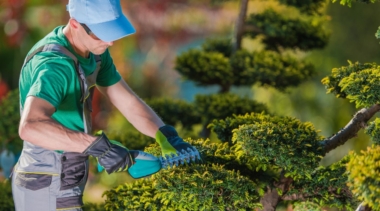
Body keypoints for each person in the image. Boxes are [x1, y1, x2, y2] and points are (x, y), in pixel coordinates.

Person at [11, 0, 199, 210]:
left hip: (69, 171)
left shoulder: (94, 52)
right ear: (74, 25)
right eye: (100, 33)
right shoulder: (54, 67)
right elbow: (31, 126)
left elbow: (126, 101)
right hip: (44, 180)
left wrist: (165, 134)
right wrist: (99, 147)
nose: (109, 41)